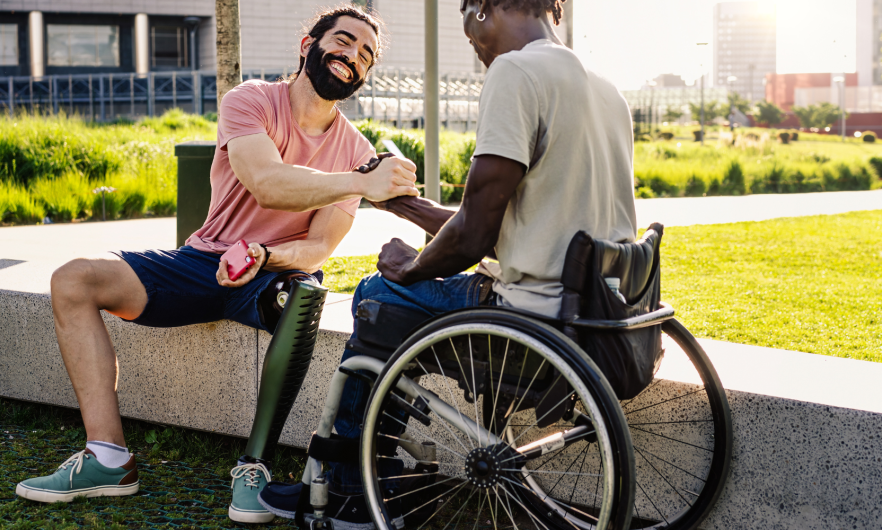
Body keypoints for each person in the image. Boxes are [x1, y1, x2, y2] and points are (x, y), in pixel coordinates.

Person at [14, 5, 419, 525]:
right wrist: (362, 181)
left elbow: (319, 247)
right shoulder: (249, 100)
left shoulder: (355, 148)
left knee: (305, 291)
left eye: (366, 55)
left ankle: (253, 466)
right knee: (73, 278)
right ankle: (108, 459)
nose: (352, 57)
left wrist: (267, 254)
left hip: (273, 276)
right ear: (307, 44)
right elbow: (265, 180)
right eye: (343, 41)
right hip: (203, 262)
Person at [257, 0, 638, 526]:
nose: (474, 45)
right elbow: (516, 225)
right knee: (398, 298)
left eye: (466, 26)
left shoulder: (515, 70)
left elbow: (476, 234)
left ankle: (349, 490)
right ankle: (380, 459)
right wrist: (405, 207)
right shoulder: (605, 88)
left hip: (527, 317)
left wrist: (411, 268)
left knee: (375, 296)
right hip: (595, 315)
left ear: (481, 10)